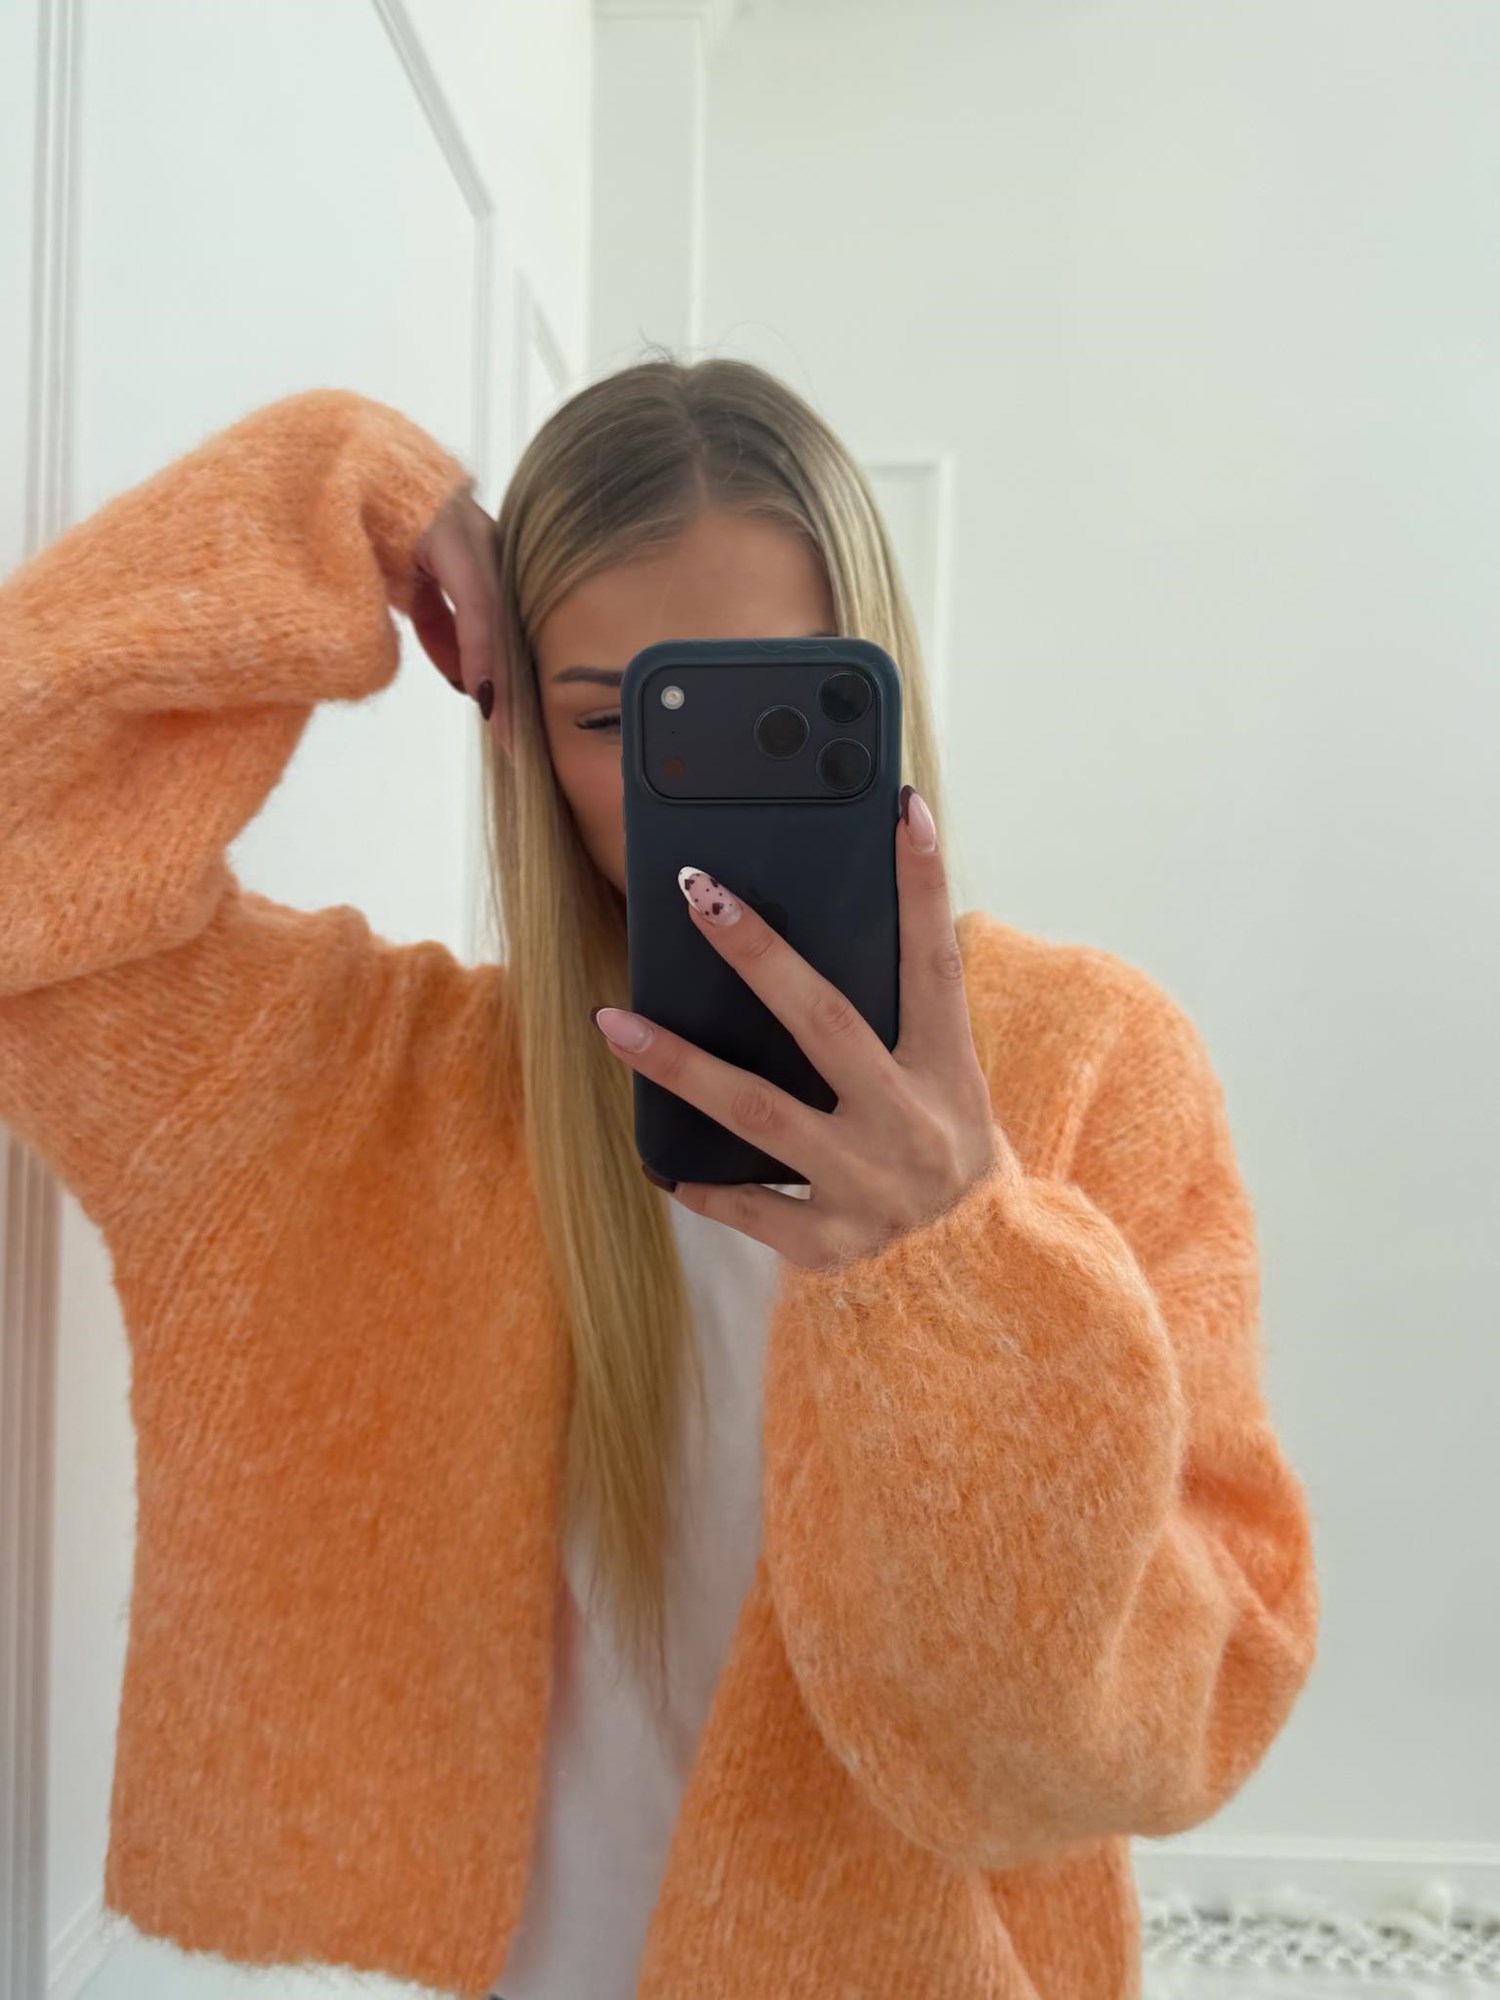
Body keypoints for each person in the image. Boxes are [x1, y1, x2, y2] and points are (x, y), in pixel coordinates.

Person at [0, 357, 1319, 2000]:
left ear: (875, 697)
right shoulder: (358, 1087)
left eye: (775, 718)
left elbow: (1189, 1712)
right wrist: (327, 498)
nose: (696, 798)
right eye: (617, 720)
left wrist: (960, 1273)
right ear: (513, 724)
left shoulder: (1095, 1068)